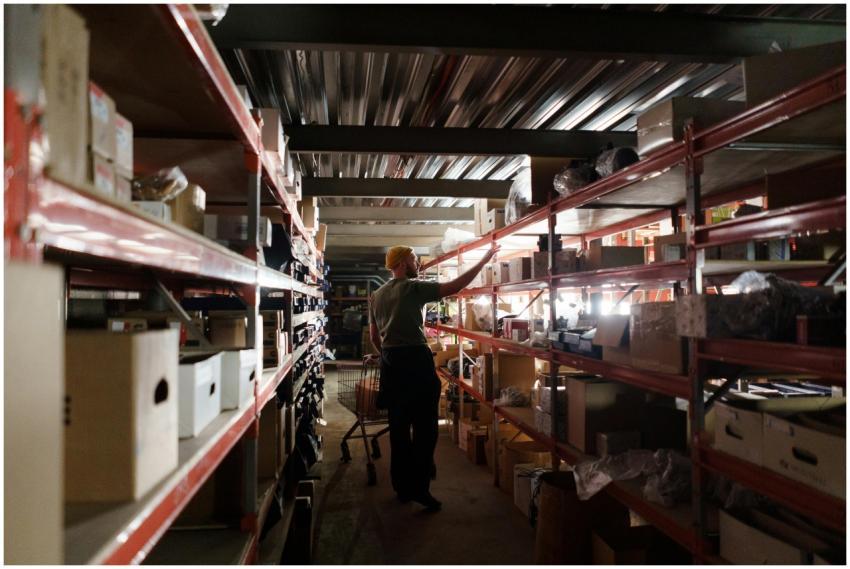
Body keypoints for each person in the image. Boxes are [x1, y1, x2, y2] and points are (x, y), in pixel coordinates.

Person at [368, 244, 500, 511]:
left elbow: (373, 337)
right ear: (404, 263)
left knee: (399, 428)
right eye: (415, 260)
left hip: (391, 364)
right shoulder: (413, 288)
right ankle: (420, 488)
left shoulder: (377, 295)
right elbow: (455, 286)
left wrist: (387, 357)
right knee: (426, 428)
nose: (419, 264)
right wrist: (485, 259)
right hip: (415, 360)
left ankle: (402, 487)